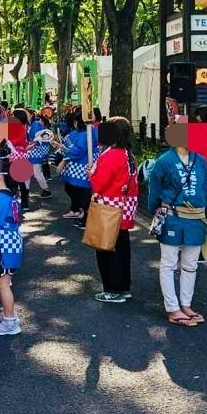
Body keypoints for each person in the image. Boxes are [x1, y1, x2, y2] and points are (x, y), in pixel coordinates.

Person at [147, 127, 207, 327]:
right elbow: (154, 191)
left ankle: (186, 304)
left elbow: (205, 190)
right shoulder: (164, 161)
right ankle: (173, 308)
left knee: (191, 264)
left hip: (196, 218)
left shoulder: (201, 161)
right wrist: (155, 212)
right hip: (173, 216)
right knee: (169, 263)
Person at [90, 118, 135, 303]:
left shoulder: (111, 155)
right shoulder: (128, 154)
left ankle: (112, 289)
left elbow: (99, 183)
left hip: (109, 206)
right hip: (125, 207)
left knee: (107, 249)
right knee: (122, 247)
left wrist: (91, 174)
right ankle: (124, 286)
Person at [0, 171, 23, 335]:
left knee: (3, 284)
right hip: (9, 242)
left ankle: (10, 321)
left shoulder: (0, 198)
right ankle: (8, 314)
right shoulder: (9, 196)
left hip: (4, 244)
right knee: (1, 282)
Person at [58, 113, 94, 223]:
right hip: (74, 166)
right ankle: (79, 212)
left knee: (80, 192)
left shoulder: (85, 134)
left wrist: (65, 156)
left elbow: (78, 150)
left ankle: (84, 216)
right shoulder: (80, 133)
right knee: (72, 189)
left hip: (80, 167)